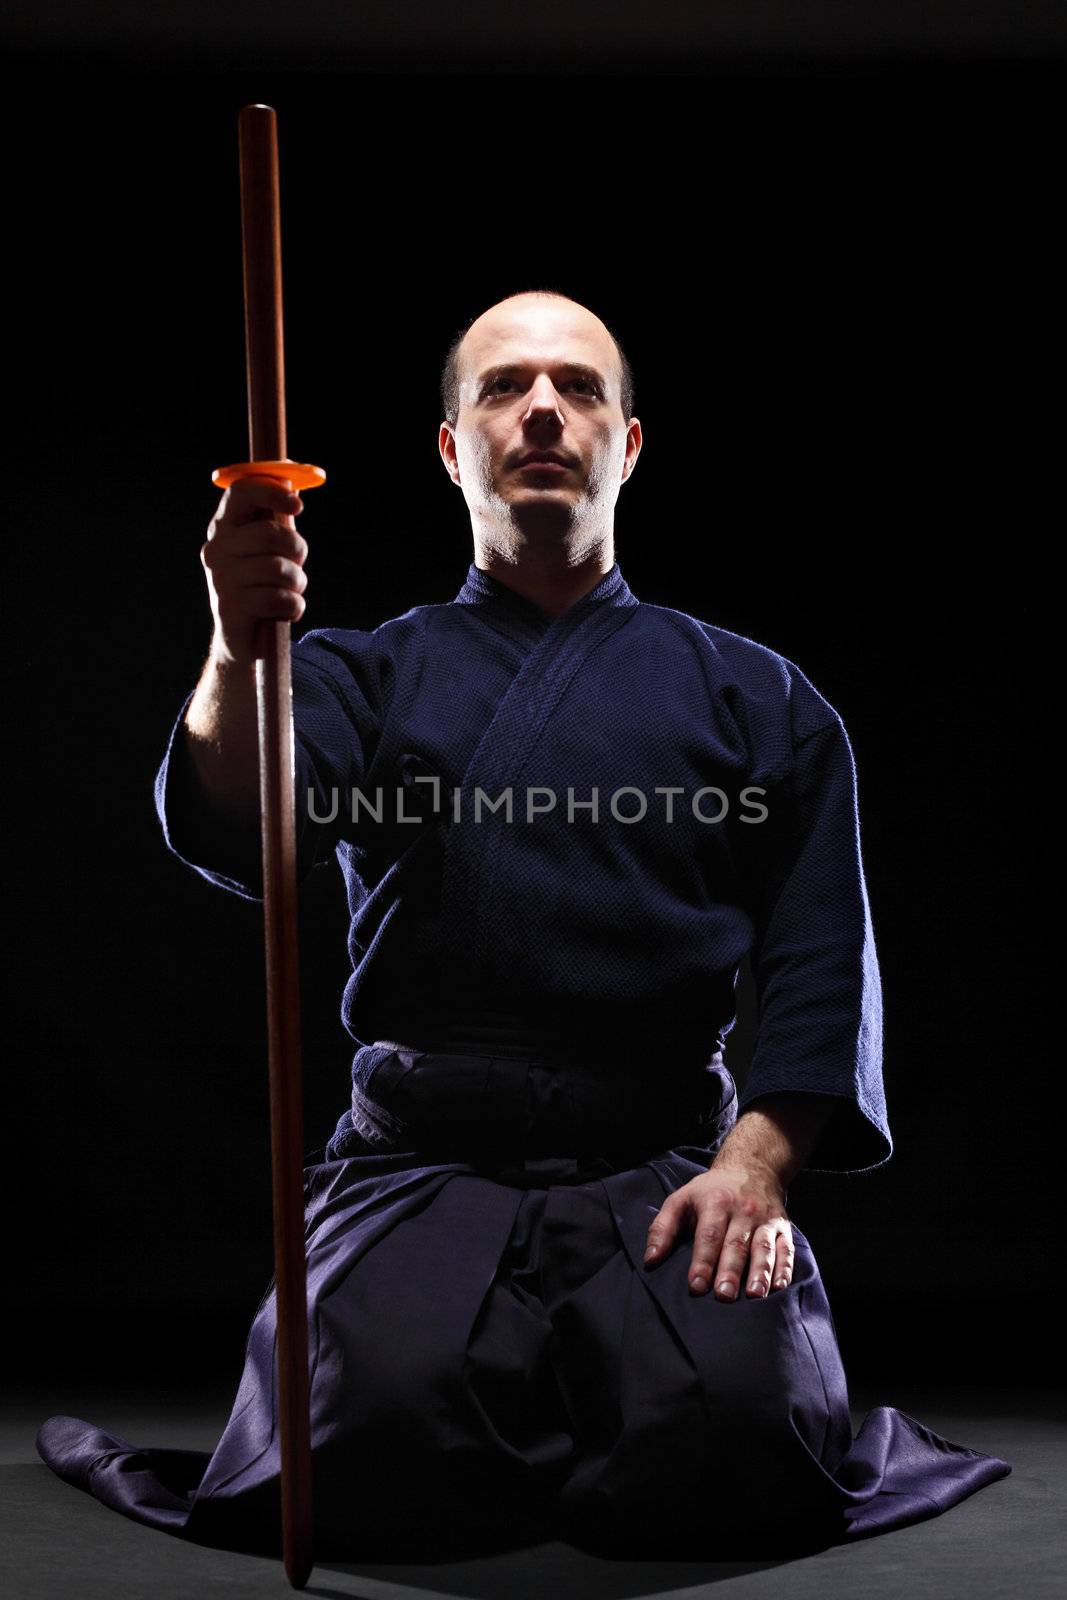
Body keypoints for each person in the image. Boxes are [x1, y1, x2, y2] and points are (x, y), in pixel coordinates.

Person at [37, 289, 1010, 1561]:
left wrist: (755, 1168)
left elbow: (823, 960)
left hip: (664, 1159)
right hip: (420, 1156)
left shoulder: (759, 697)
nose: (541, 407)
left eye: (578, 386)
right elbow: (245, 824)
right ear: (453, 447)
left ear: (628, 441)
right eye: (502, 387)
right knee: (355, 1448)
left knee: (740, 1443)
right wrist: (237, 646)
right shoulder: (352, 673)